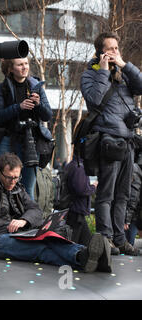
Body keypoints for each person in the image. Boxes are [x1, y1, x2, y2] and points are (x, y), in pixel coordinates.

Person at [0, 152, 112, 273]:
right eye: (9, 177)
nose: (13, 181)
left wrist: (24, 220)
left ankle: (85, 259)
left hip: (16, 233)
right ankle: (84, 255)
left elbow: (35, 209)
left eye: (17, 177)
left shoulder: (17, 188)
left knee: (46, 244)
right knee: (41, 246)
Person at [80, 32, 142, 256]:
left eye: (117, 48)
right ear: (100, 53)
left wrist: (125, 65)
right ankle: (105, 239)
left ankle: (120, 239)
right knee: (106, 194)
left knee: (124, 194)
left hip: (127, 140)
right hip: (107, 139)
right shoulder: (90, 75)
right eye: (111, 49)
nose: (115, 52)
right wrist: (104, 70)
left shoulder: (124, 75)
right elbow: (95, 100)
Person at [0, 57, 53, 201]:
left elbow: (48, 115)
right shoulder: (2, 88)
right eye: (20, 64)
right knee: (3, 186)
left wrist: (38, 104)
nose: (25, 67)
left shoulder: (36, 87)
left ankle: (27, 222)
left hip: (31, 142)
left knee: (27, 188)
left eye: (26, 63)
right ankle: (2, 220)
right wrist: (18, 107)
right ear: (10, 68)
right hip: (8, 139)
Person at [64, 155, 97, 246]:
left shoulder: (74, 165)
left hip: (76, 211)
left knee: (85, 244)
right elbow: (81, 189)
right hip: (76, 212)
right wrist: (93, 187)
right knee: (74, 245)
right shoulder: (79, 167)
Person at [125, 152, 142, 246]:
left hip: (133, 214)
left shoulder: (135, 169)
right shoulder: (136, 170)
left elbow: (134, 197)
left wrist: (127, 219)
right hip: (133, 214)